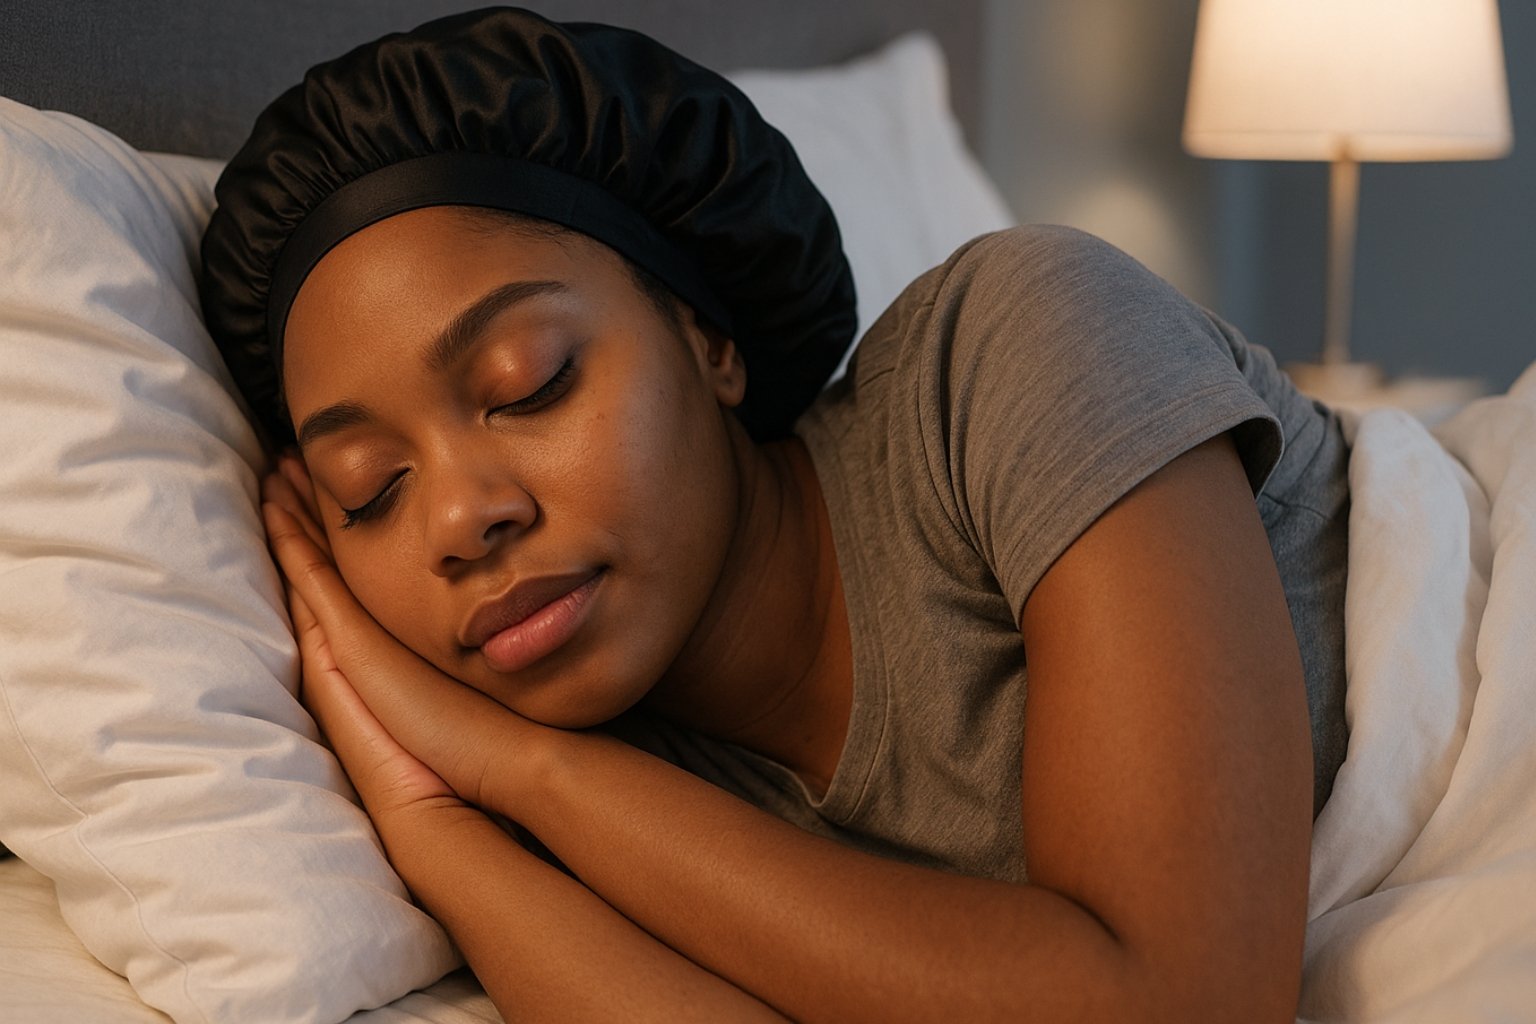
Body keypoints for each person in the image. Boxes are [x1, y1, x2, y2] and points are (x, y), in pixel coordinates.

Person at [200, 7, 1350, 1022]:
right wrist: (434, 821)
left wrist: (524, 769)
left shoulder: (1018, 343)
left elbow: (1182, 1002)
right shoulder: (604, 797)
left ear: (711, 343)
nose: (459, 516)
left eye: (529, 382)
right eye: (370, 489)